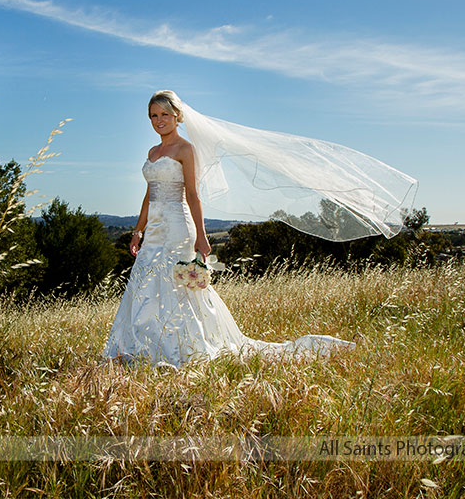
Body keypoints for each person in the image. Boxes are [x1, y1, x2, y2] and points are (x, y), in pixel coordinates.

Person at [102, 90, 358, 367]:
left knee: (178, 285)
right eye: (153, 115)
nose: (159, 120)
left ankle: (186, 346)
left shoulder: (185, 149)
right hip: (153, 229)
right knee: (145, 284)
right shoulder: (152, 152)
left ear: (177, 117)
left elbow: (192, 195)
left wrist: (201, 236)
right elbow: (148, 195)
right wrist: (138, 230)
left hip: (178, 225)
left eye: (165, 114)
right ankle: (143, 346)